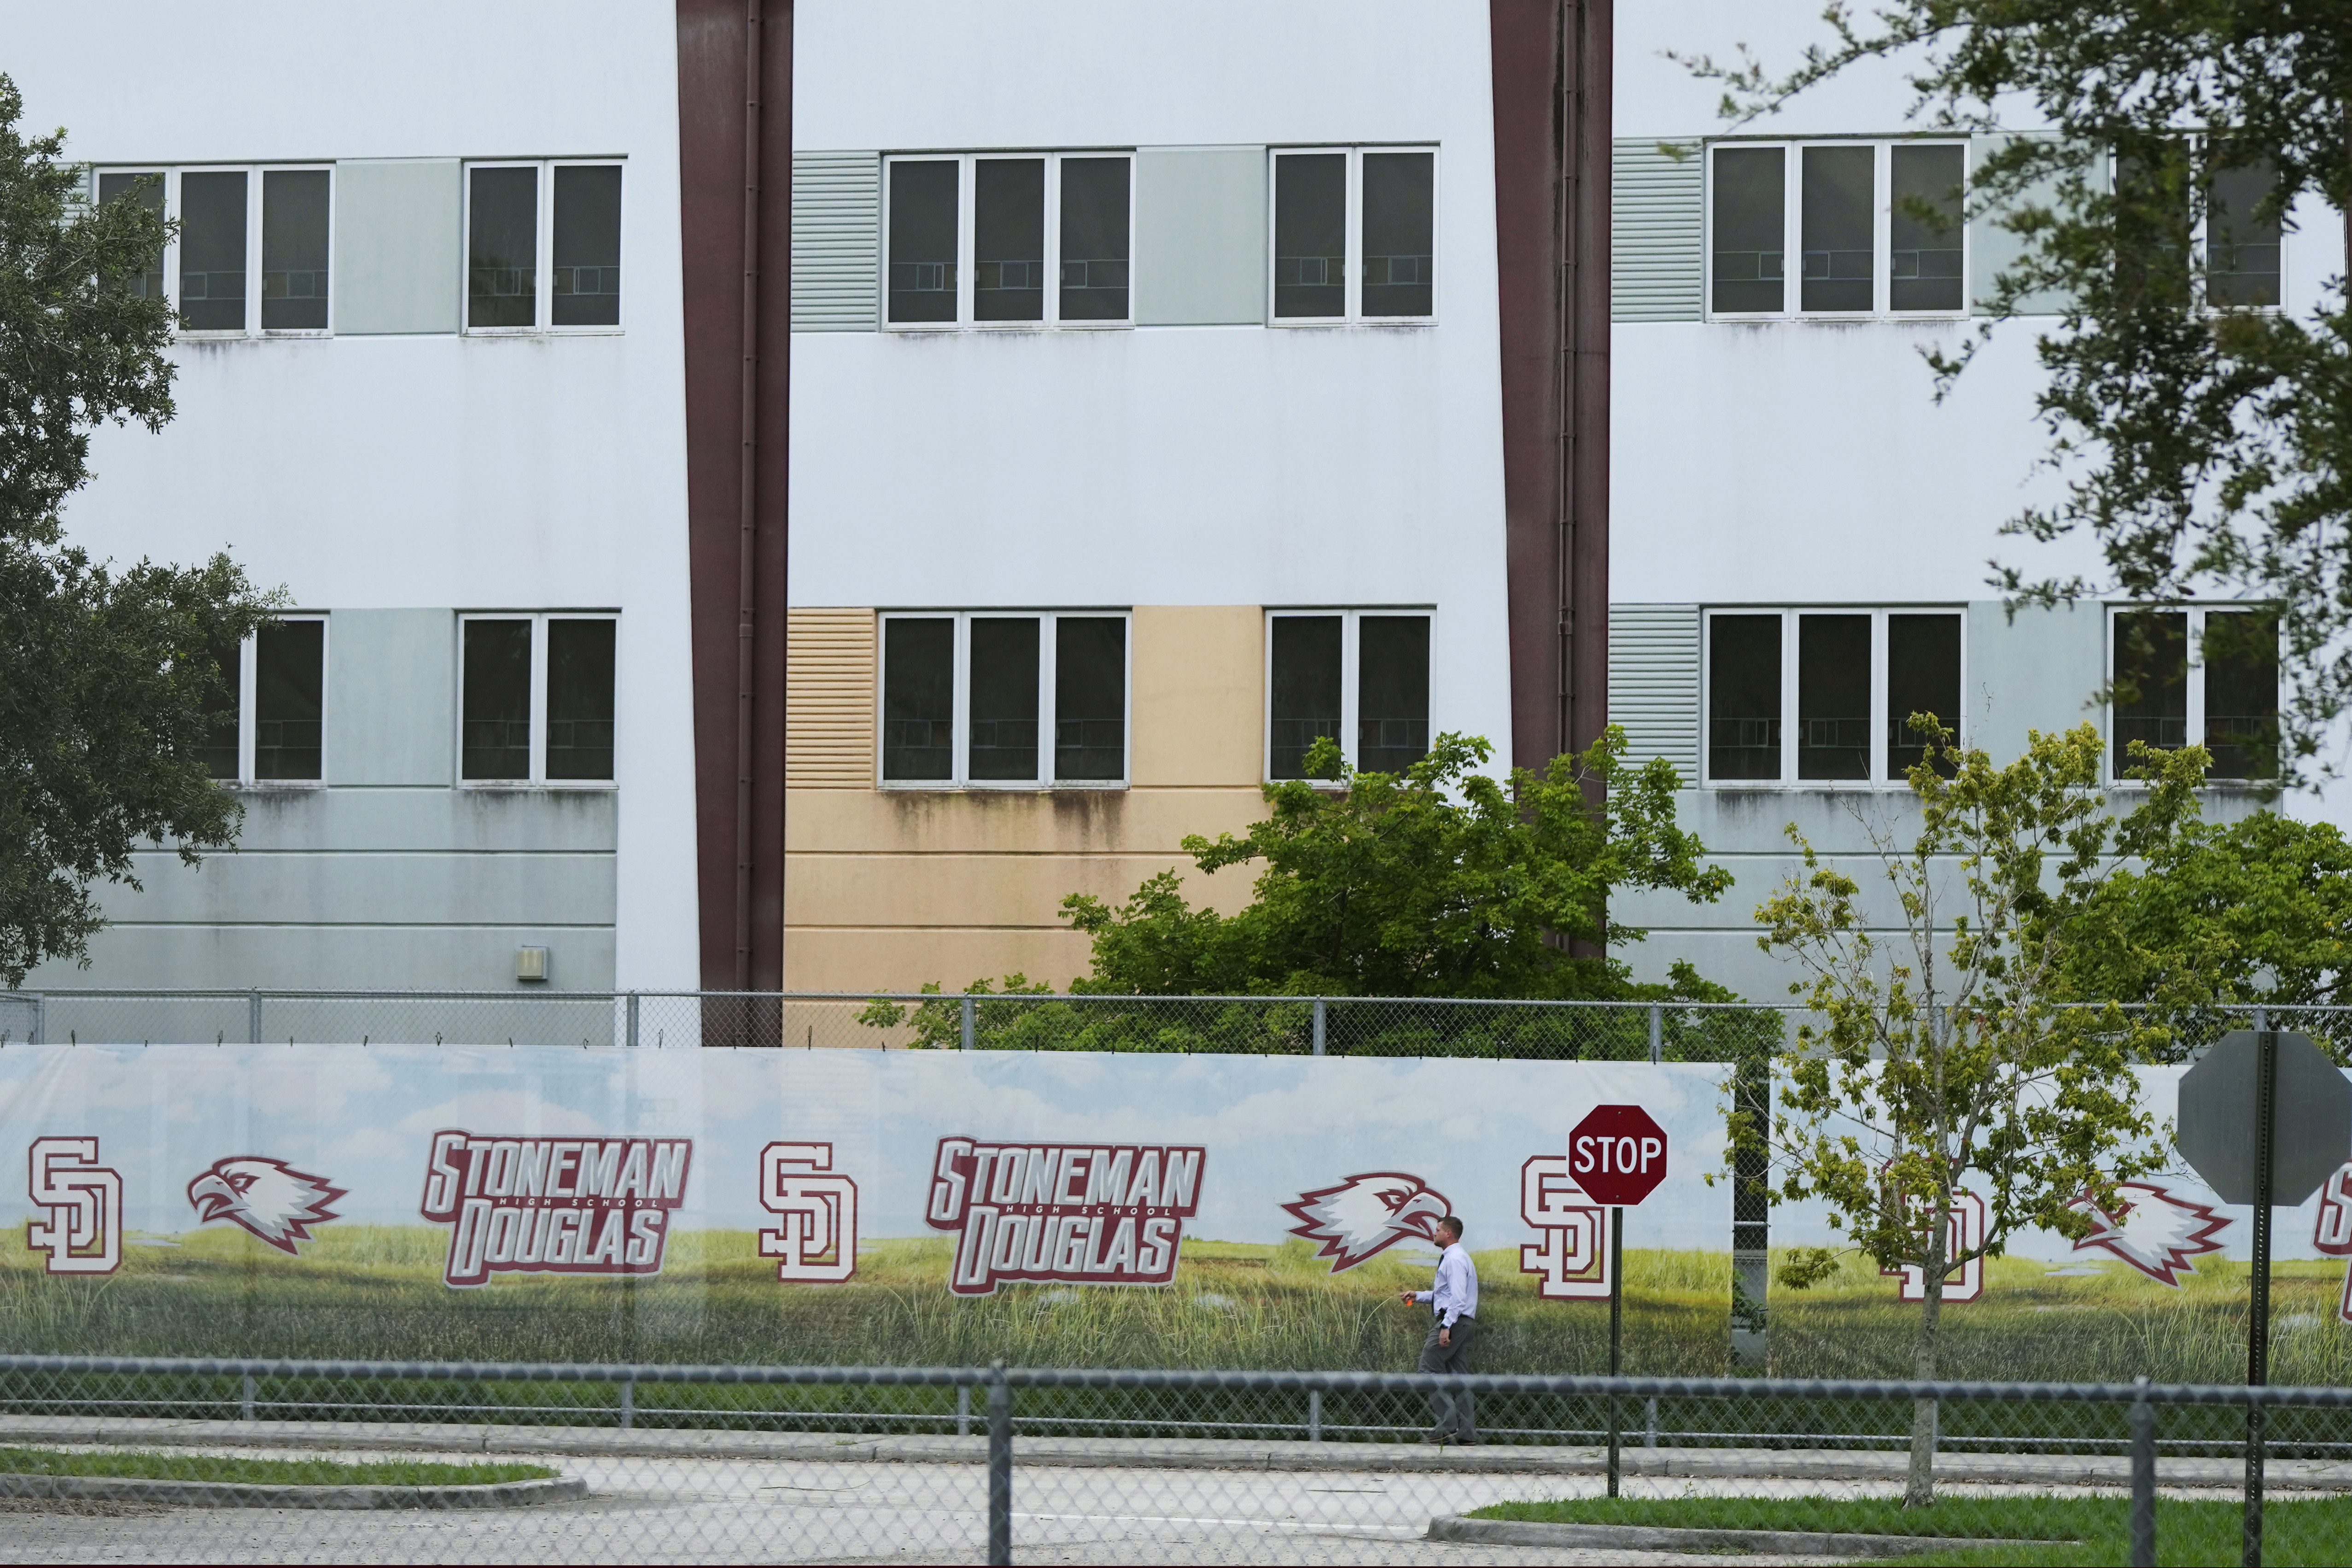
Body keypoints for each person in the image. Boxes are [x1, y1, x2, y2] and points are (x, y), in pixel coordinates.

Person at [1399, 1213, 1477, 1445]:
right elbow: (1445, 1295)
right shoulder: (1457, 1257)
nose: (1434, 1233)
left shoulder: (1454, 1259)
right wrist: (1418, 1296)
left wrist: (1446, 1326)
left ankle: (1447, 1425)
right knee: (1460, 1378)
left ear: (1448, 1233)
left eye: (1437, 1230)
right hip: (1462, 1321)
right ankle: (1467, 1434)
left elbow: (1458, 1297)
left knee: (1428, 1368)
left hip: (1454, 1320)